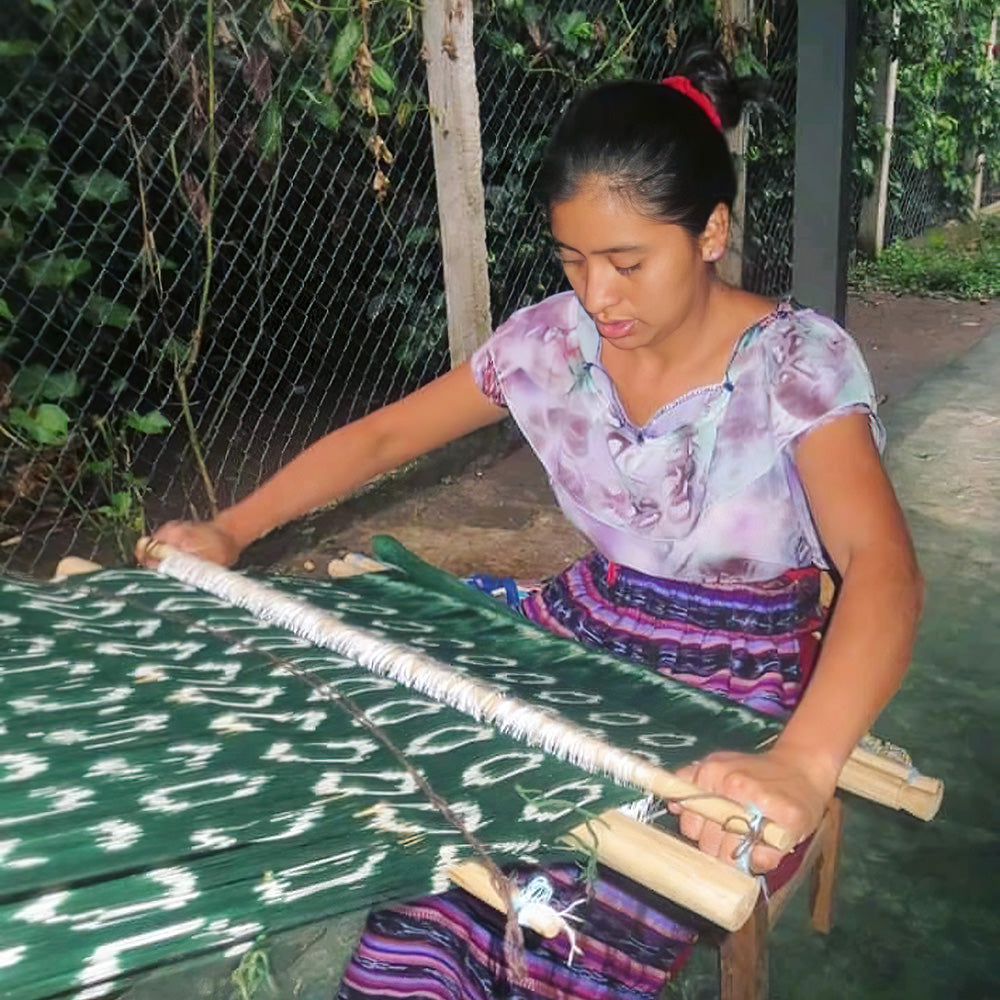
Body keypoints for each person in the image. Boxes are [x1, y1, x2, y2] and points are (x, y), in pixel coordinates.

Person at [140, 48, 923, 999]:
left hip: (734, 679)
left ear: (712, 230)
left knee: (569, 902)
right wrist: (232, 530)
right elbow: (386, 435)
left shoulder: (794, 365)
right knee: (427, 832)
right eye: (573, 258)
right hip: (588, 631)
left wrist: (802, 763)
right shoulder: (548, 345)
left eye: (628, 262)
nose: (599, 296)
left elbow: (880, 562)